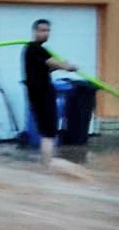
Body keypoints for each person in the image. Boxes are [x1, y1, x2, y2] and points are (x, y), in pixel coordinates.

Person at [23, 19, 78, 169]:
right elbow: (51, 63)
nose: (45, 33)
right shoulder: (33, 48)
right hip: (40, 96)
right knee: (49, 132)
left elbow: (46, 67)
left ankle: (46, 164)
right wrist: (67, 67)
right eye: (42, 30)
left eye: (47, 30)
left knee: (48, 131)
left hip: (43, 94)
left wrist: (61, 66)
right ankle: (47, 166)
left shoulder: (39, 50)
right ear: (35, 31)